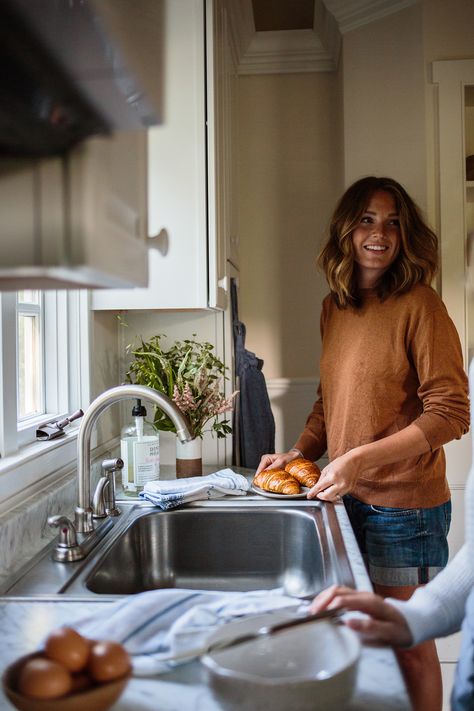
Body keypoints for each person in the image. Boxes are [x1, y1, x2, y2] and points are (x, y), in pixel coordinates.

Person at [256, 176, 470, 711]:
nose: (381, 233)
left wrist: (356, 460)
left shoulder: (421, 305)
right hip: (345, 500)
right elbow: (330, 403)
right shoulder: (335, 307)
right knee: (363, 638)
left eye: (394, 222)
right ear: (347, 230)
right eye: (369, 220)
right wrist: (299, 453)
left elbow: (451, 412)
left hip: (405, 509)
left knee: (408, 644)